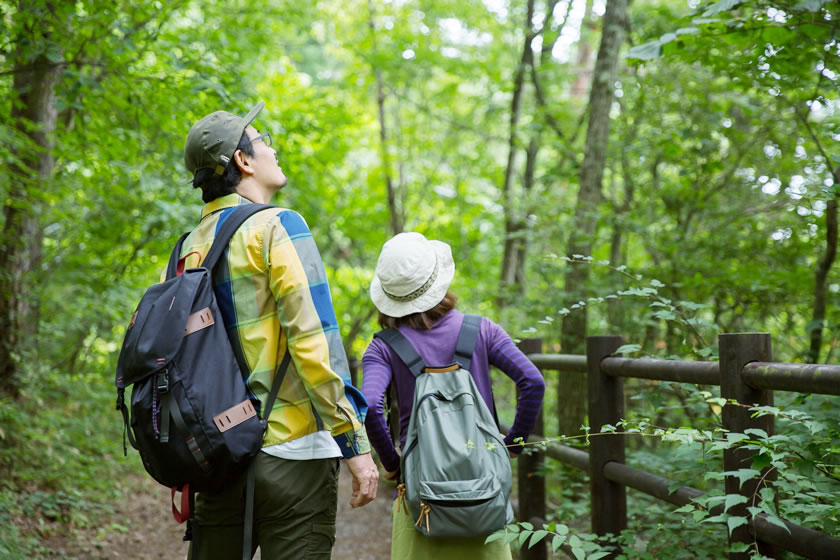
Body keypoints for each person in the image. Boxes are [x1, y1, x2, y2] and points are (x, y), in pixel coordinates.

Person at [177, 101, 379, 559]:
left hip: (218, 455)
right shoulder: (277, 226)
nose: (272, 147)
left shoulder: (188, 246)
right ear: (242, 161)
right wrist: (354, 444)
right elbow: (313, 344)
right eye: (262, 140)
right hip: (292, 451)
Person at [361, 232, 545, 559]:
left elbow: (372, 407)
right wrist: (513, 445)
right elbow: (532, 380)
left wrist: (392, 464)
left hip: (421, 497)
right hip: (483, 494)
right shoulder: (481, 330)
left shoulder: (383, 347)